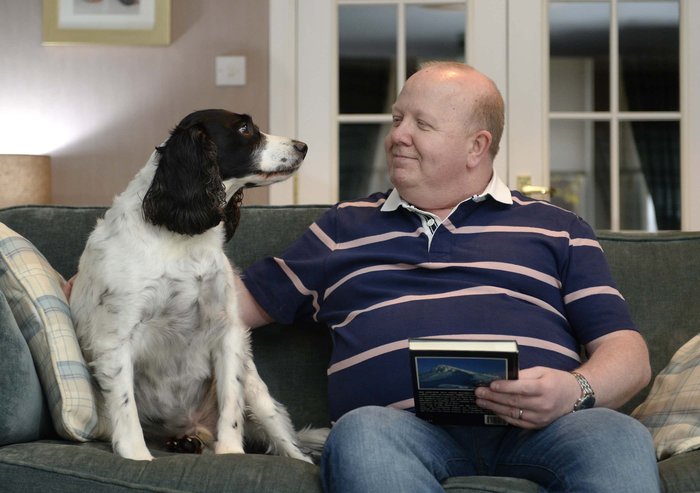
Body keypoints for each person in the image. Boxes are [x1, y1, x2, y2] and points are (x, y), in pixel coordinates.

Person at [64, 62, 659, 492]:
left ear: (477, 146)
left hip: (545, 429)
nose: (396, 134)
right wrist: (86, 291)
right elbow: (212, 310)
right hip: (400, 431)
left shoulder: (556, 227)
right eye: (397, 117)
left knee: (616, 437)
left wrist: (572, 392)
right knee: (362, 434)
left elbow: (626, 354)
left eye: (420, 125)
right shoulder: (345, 225)